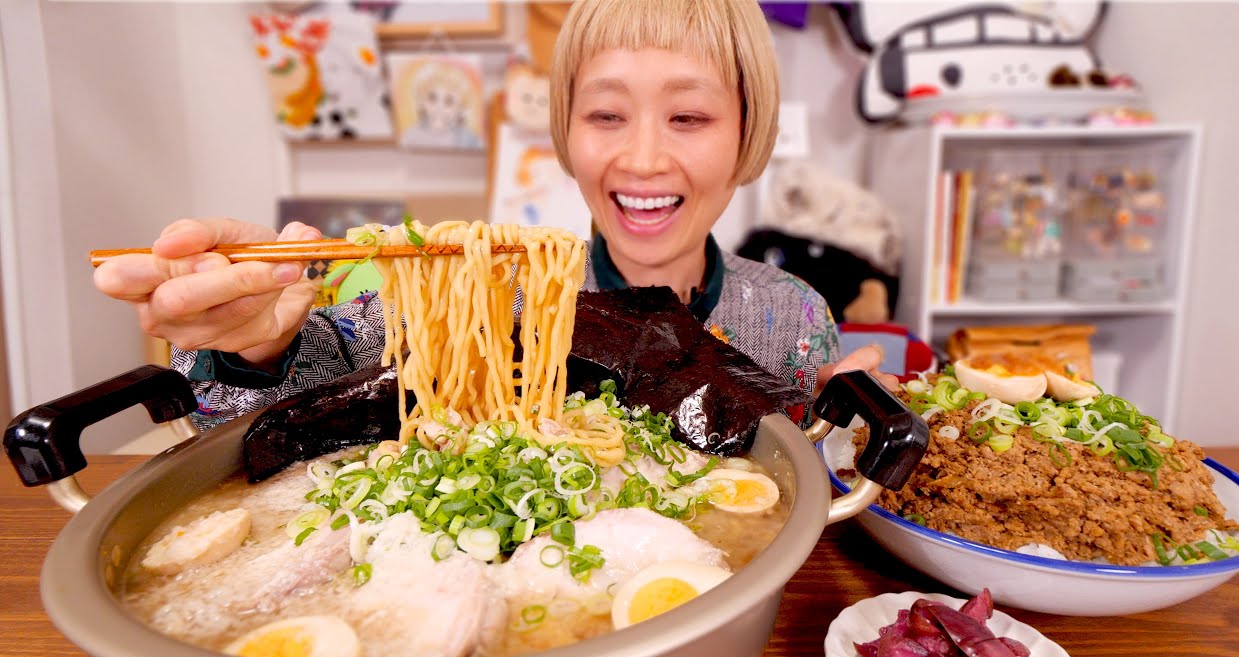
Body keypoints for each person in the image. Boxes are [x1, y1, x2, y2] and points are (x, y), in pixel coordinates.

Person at [93, 0, 896, 431]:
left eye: (689, 118)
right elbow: (314, 380)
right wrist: (256, 349)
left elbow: (800, 479)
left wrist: (849, 426)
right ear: (568, 134)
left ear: (747, 134)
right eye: (607, 116)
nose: (644, 159)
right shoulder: (491, 288)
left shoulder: (794, 318)